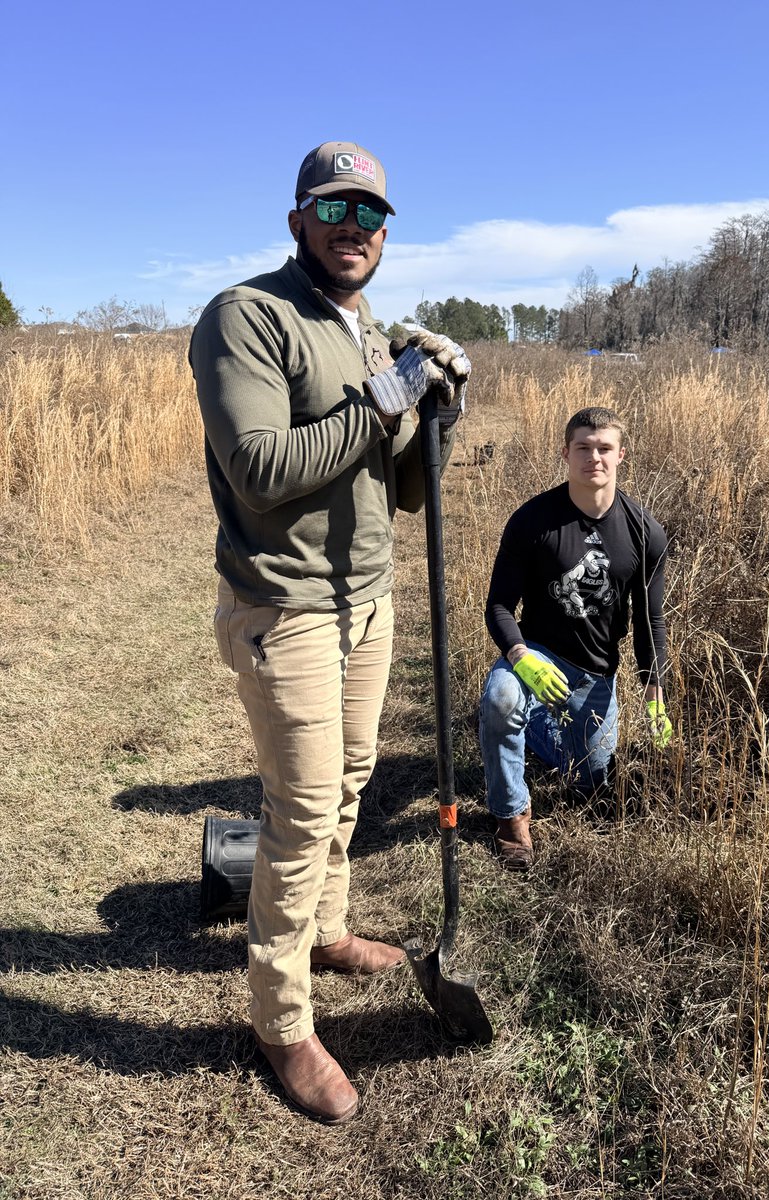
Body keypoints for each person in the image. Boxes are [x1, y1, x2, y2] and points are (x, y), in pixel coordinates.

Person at [189, 141, 469, 1123]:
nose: (356, 231)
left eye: (372, 216)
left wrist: (439, 415)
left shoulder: (367, 332)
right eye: (335, 211)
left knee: (350, 780)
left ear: (387, 233)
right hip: (285, 605)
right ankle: (280, 1018)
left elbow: (398, 491)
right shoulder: (247, 317)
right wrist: (387, 394)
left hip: (367, 601)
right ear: (299, 219)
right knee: (302, 809)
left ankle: (328, 927)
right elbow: (263, 466)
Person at [478, 406, 672, 871]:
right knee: (502, 698)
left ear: (621, 454)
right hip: (537, 655)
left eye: (604, 448)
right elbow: (500, 606)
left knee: (590, 782)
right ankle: (511, 816)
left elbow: (650, 621)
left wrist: (655, 691)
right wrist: (519, 655)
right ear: (566, 453)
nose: (594, 458)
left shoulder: (646, 533)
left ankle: (526, 731)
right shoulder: (532, 521)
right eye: (583, 447)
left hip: (595, 672)